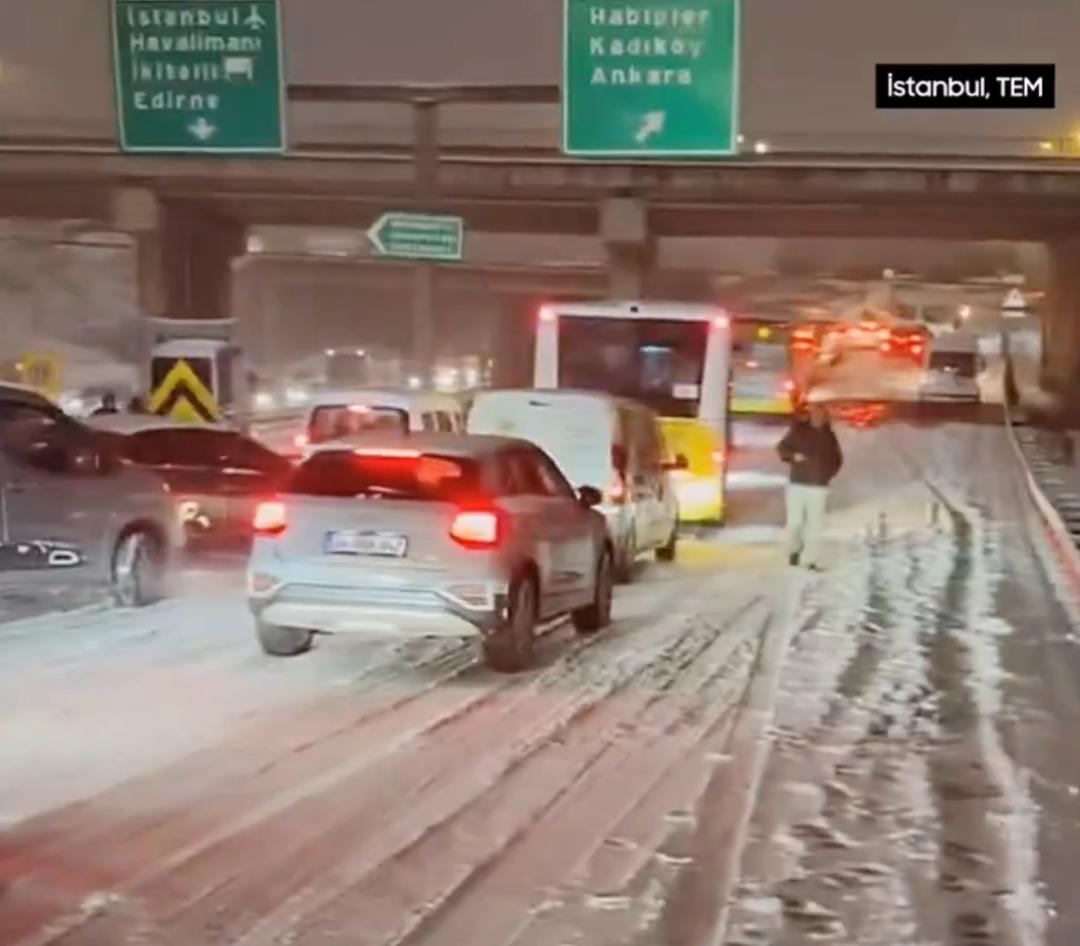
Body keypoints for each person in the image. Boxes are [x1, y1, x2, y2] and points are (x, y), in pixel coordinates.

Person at [777, 398, 843, 571]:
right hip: (797, 484)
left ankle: (811, 559)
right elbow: (782, 448)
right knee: (795, 522)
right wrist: (793, 456)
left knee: (815, 524)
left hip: (819, 487)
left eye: (822, 414)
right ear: (810, 415)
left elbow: (837, 459)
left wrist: (827, 475)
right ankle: (793, 550)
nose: (819, 417)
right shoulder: (799, 431)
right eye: (815, 413)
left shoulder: (829, 436)